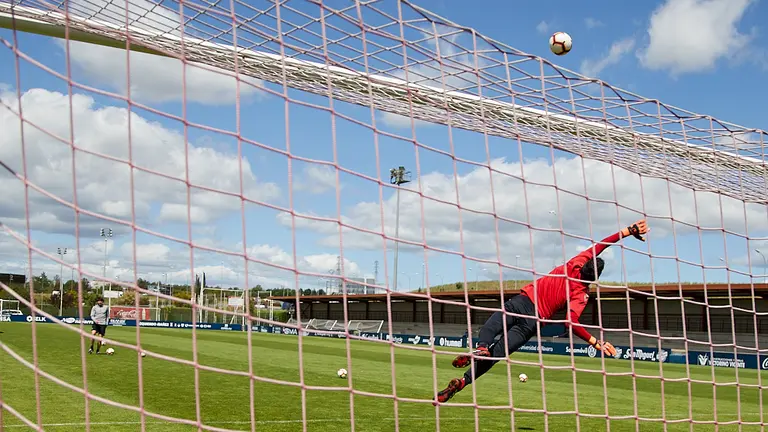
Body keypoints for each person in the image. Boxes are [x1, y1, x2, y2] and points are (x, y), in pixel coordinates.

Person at [435, 220, 649, 403]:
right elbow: (571, 323)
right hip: (533, 322)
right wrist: (595, 342)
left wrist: (627, 231)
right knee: (495, 356)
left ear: (586, 263)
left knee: (491, 326)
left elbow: (601, 245)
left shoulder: (575, 264)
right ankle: (463, 381)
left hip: (521, 303)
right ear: (595, 278)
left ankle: (482, 347)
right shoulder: (581, 294)